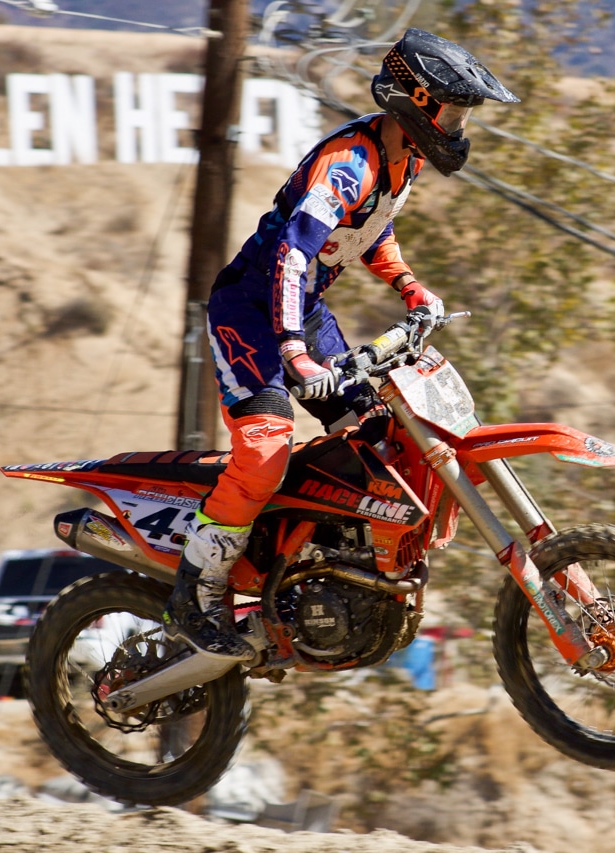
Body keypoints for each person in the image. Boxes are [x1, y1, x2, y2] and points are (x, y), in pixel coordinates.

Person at [162, 28, 519, 660]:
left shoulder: (400, 158)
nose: (461, 125)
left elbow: (370, 233)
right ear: (415, 98)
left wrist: (412, 289)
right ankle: (198, 589)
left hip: (303, 309)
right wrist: (295, 350)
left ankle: (320, 561)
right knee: (265, 450)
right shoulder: (350, 163)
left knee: (381, 439)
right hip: (250, 311)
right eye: (455, 110)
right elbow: (294, 255)